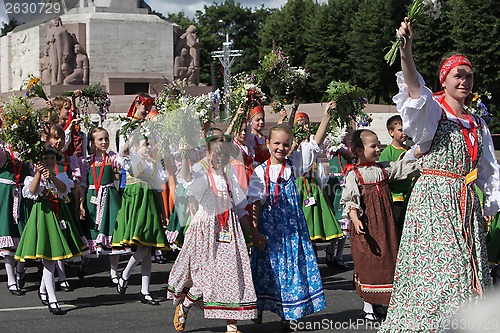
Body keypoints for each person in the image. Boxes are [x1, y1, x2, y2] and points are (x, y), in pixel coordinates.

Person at [379, 18, 500, 332]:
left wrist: (489, 205)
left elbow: (487, 169)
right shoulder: (434, 111)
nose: (465, 81)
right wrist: (406, 49)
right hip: (434, 200)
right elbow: (413, 88)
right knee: (446, 274)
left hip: (464, 201)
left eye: (469, 76)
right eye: (458, 75)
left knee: (468, 272)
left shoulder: (477, 123)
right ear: (444, 80)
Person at [247, 103, 333, 329]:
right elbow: (255, 203)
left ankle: (290, 314)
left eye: (286, 144)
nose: (281, 148)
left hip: (292, 230)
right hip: (270, 230)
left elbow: (315, 144)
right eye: (276, 143)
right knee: (267, 271)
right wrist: (254, 232)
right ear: (268, 144)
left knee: (292, 270)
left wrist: (326, 118)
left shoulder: (293, 165)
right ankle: (257, 307)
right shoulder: (260, 171)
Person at [167, 133, 260, 333]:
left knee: (232, 275)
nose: (221, 158)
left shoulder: (229, 176)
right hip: (205, 231)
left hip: (228, 230)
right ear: (207, 154)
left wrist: (251, 230)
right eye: (217, 154)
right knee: (203, 280)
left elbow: (240, 205)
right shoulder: (202, 173)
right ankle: (184, 307)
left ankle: (232, 325)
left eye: (225, 155)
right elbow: (188, 179)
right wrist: (184, 156)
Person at [341, 129, 419, 322]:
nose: (378, 149)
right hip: (367, 226)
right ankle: (368, 306)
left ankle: (379, 303)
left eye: (378, 146)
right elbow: (350, 200)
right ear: (359, 150)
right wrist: (355, 218)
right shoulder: (355, 175)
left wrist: (419, 153)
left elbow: (401, 168)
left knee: (386, 260)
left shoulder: (382, 169)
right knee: (369, 263)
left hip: (384, 225)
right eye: (373, 146)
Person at [15, 146, 87, 315]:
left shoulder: (60, 176)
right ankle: (52, 299)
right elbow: (32, 191)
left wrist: (51, 176)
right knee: (48, 257)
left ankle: (43, 290)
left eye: (51, 159)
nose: (49, 162)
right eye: (45, 159)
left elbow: (63, 189)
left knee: (52, 257)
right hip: (42, 215)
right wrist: (39, 174)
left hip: (57, 215)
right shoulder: (32, 178)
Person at [113, 134, 169, 306]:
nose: (148, 148)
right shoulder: (132, 161)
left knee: (148, 249)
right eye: (145, 145)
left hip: (150, 206)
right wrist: (130, 136)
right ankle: (126, 272)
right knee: (144, 247)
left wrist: (163, 213)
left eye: (150, 145)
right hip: (137, 206)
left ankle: (145, 290)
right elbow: (124, 156)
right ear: (136, 146)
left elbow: (158, 191)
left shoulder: (155, 165)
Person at [293, 112, 344, 254]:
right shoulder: (294, 148)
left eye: (306, 123)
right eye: (300, 123)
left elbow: (321, 173)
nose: (304, 126)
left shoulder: (313, 148)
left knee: (312, 226)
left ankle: (312, 252)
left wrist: (324, 194)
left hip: (312, 188)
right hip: (299, 188)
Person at [79, 127, 122, 285]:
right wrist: (81, 203)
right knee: (91, 234)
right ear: (93, 142)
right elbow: (83, 184)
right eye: (100, 140)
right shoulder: (86, 161)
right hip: (93, 198)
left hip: (110, 198)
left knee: (112, 234)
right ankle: (85, 262)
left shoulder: (112, 158)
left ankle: (114, 273)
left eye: (106, 139)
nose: (104, 142)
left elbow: (122, 165)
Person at [0, 144, 33, 296]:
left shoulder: (29, 147)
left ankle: (20, 268)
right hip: (5, 197)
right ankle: (11, 279)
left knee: (26, 234)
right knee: (7, 234)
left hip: (24, 196)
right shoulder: (4, 150)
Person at [377, 115, 413, 236]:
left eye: (406, 129)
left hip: (410, 195)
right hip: (396, 198)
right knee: (397, 229)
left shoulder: (410, 150)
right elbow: (384, 174)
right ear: (391, 132)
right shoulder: (388, 152)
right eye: (400, 130)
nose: (404, 133)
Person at [324, 143, 352, 269]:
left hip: (346, 183)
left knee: (345, 220)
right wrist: (337, 143)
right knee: (337, 220)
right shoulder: (331, 145)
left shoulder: (348, 146)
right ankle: (331, 248)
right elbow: (328, 149)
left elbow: (352, 156)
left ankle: (339, 255)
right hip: (334, 187)